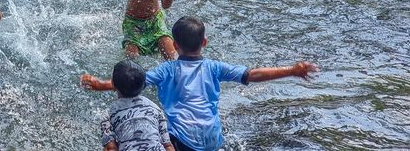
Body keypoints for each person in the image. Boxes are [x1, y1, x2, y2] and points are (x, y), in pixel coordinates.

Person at [81, 16, 319, 151]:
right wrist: (292, 70)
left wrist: (100, 84)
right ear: (204, 42)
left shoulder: (168, 68)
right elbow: (253, 74)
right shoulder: (215, 67)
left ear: (174, 46)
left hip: (182, 140)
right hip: (213, 139)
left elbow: (134, 81)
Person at [99, 60, 173, 151]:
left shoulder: (109, 114)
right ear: (143, 85)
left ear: (113, 85)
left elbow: (110, 148)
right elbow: (167, 145)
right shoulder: (155, 108)